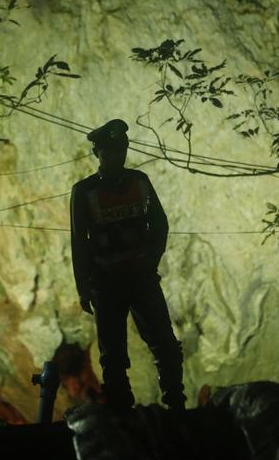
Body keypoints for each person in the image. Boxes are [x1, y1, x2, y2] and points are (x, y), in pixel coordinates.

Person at [70, 118, 186, 412]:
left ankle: (176, 401)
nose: (116, 156)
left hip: (141, 276)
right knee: (113, 353)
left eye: (120, 150)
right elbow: (78, 242)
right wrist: (84, 287)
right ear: (99, 154)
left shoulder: (139, 180)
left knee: (164, 343)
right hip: (106, 281)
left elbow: (160, 224)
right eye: (110, 151)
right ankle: (121, 409)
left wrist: (151, 259)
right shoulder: (84, 191)